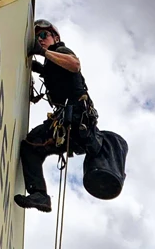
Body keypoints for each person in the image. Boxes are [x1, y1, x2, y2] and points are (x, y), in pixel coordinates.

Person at [15, 19, 99, 212]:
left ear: (56, 37)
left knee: (31, 145)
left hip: (76, 118)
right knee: (32, 146)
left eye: (44, 35)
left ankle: (40, 194)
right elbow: (47, 71)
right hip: (72, 126)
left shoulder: (61, 51)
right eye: (38, 37)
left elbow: (74, 65)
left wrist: (42, 52)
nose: (41, 39)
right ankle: (40, 196)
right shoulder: (50, 66)